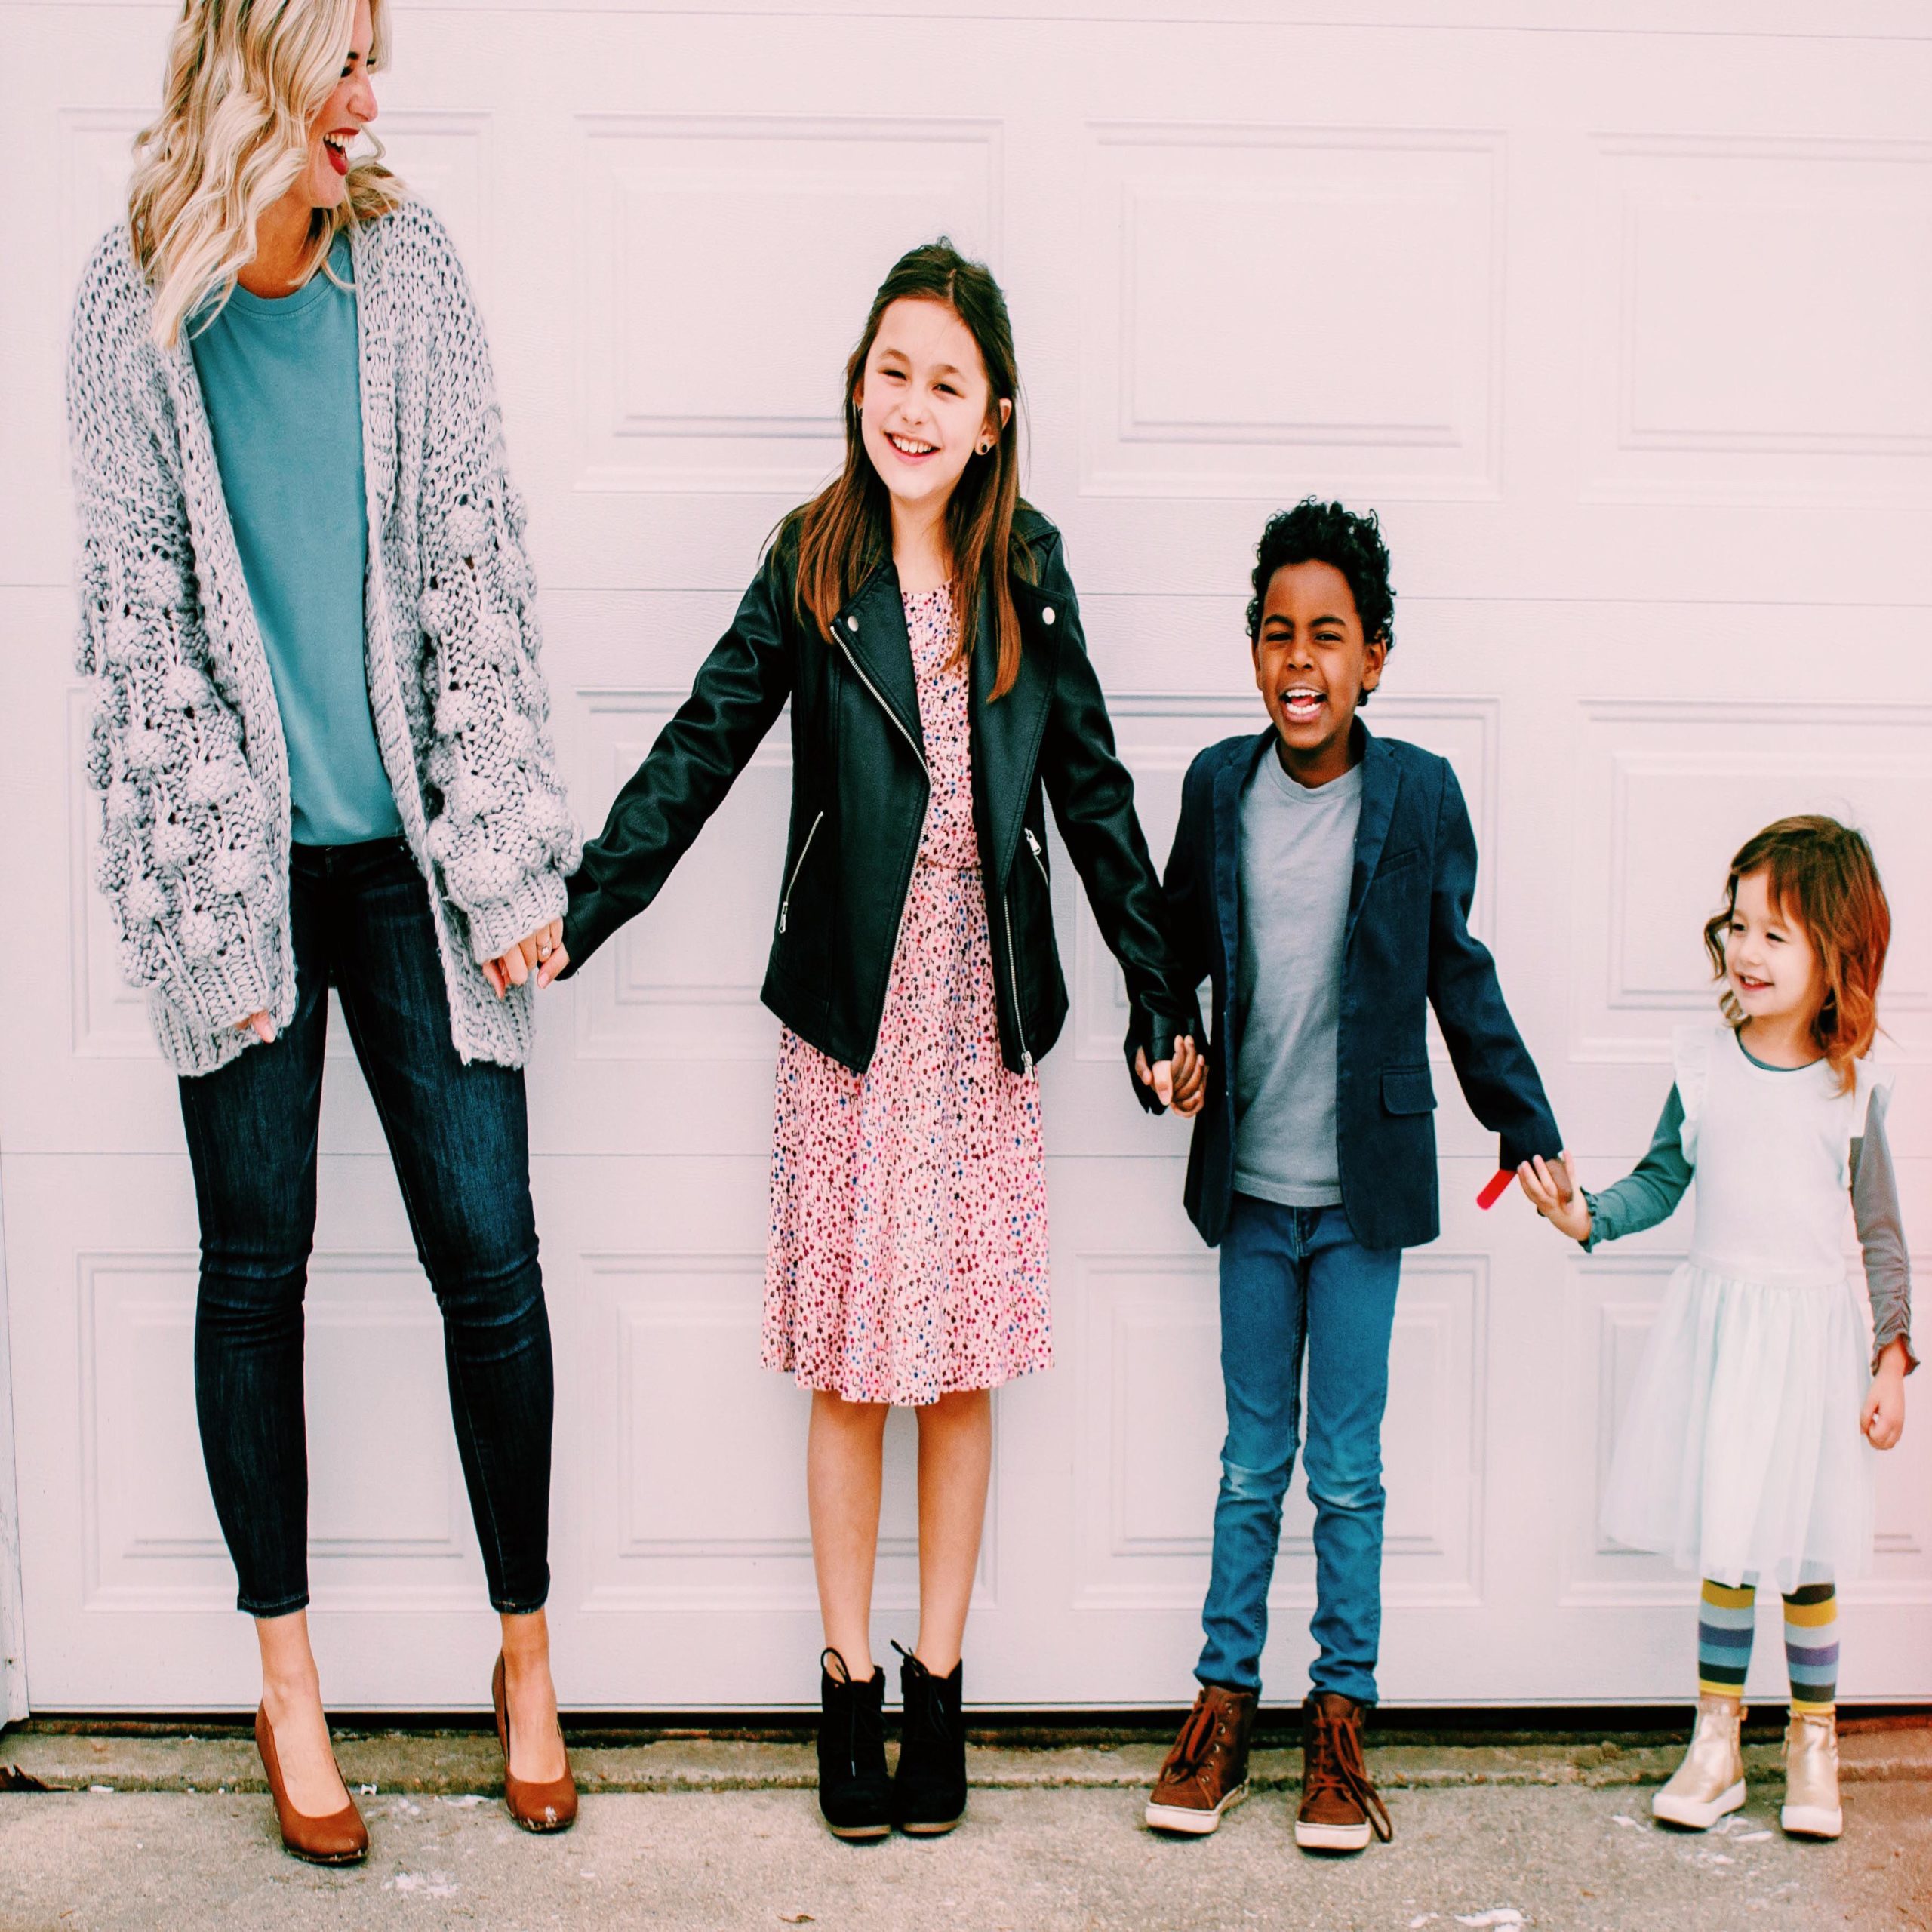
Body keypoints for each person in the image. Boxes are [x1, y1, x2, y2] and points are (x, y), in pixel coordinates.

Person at [547, 238, 1204, 1840]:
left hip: (972, 1025)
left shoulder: (1023, 571)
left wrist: (1154, 990)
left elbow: (1095, 793)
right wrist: (583, 909)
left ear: (993, 416)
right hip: (846, 1025)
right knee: (851, 1366)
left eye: (947, 382)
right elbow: (702, 744)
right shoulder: (812, 559)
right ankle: (842, 1677)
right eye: (891, 371)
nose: (913, 405)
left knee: (956, 1368)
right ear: (856, 386)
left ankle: (937, 1681)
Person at [66, 0, 580, 1861]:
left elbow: (475, 562)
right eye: (340, 59)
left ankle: (524, 1649)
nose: (371, 99)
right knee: (254, 1263)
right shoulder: (130, 311)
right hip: (239, 861)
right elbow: (137, 640)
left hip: (414, 866)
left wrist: (508, 858)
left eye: (377, 59)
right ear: (254, 64)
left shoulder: (410, 274)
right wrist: (216, 890)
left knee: (488, 1255)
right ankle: (287, 1673)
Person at [1143, 500, 1567, 1854]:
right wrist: (1167, 1049)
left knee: (1347, 1471)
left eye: (1329, 634)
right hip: (1253, 1196)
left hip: (1363, 1197)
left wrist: (1525, 1122)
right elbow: (1165, 964)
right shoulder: (1217, 787)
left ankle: (1340, 1721)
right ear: (1254, 652)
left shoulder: (1421, 794)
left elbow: (1458, 970)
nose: (1301, 659)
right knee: (1249, 1463)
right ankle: (1222, 1708)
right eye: (1278, 633)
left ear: (1375, 656)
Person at [1519, 815, 1912, 1841]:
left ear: (1838, 957)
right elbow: (1663, 1178)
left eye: (1777, 933)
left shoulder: (1853, 1089)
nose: (1747, 950)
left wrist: (1893, 1358)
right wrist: (1588, 1216)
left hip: (1816, 1349)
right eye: (1738, 924)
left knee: (1811, 1548)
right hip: (1726, 1339)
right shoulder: (1703, 1064)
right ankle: (1718, 1738)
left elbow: (1881, 1236)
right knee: (1729, 1544)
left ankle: (1814, 1744)